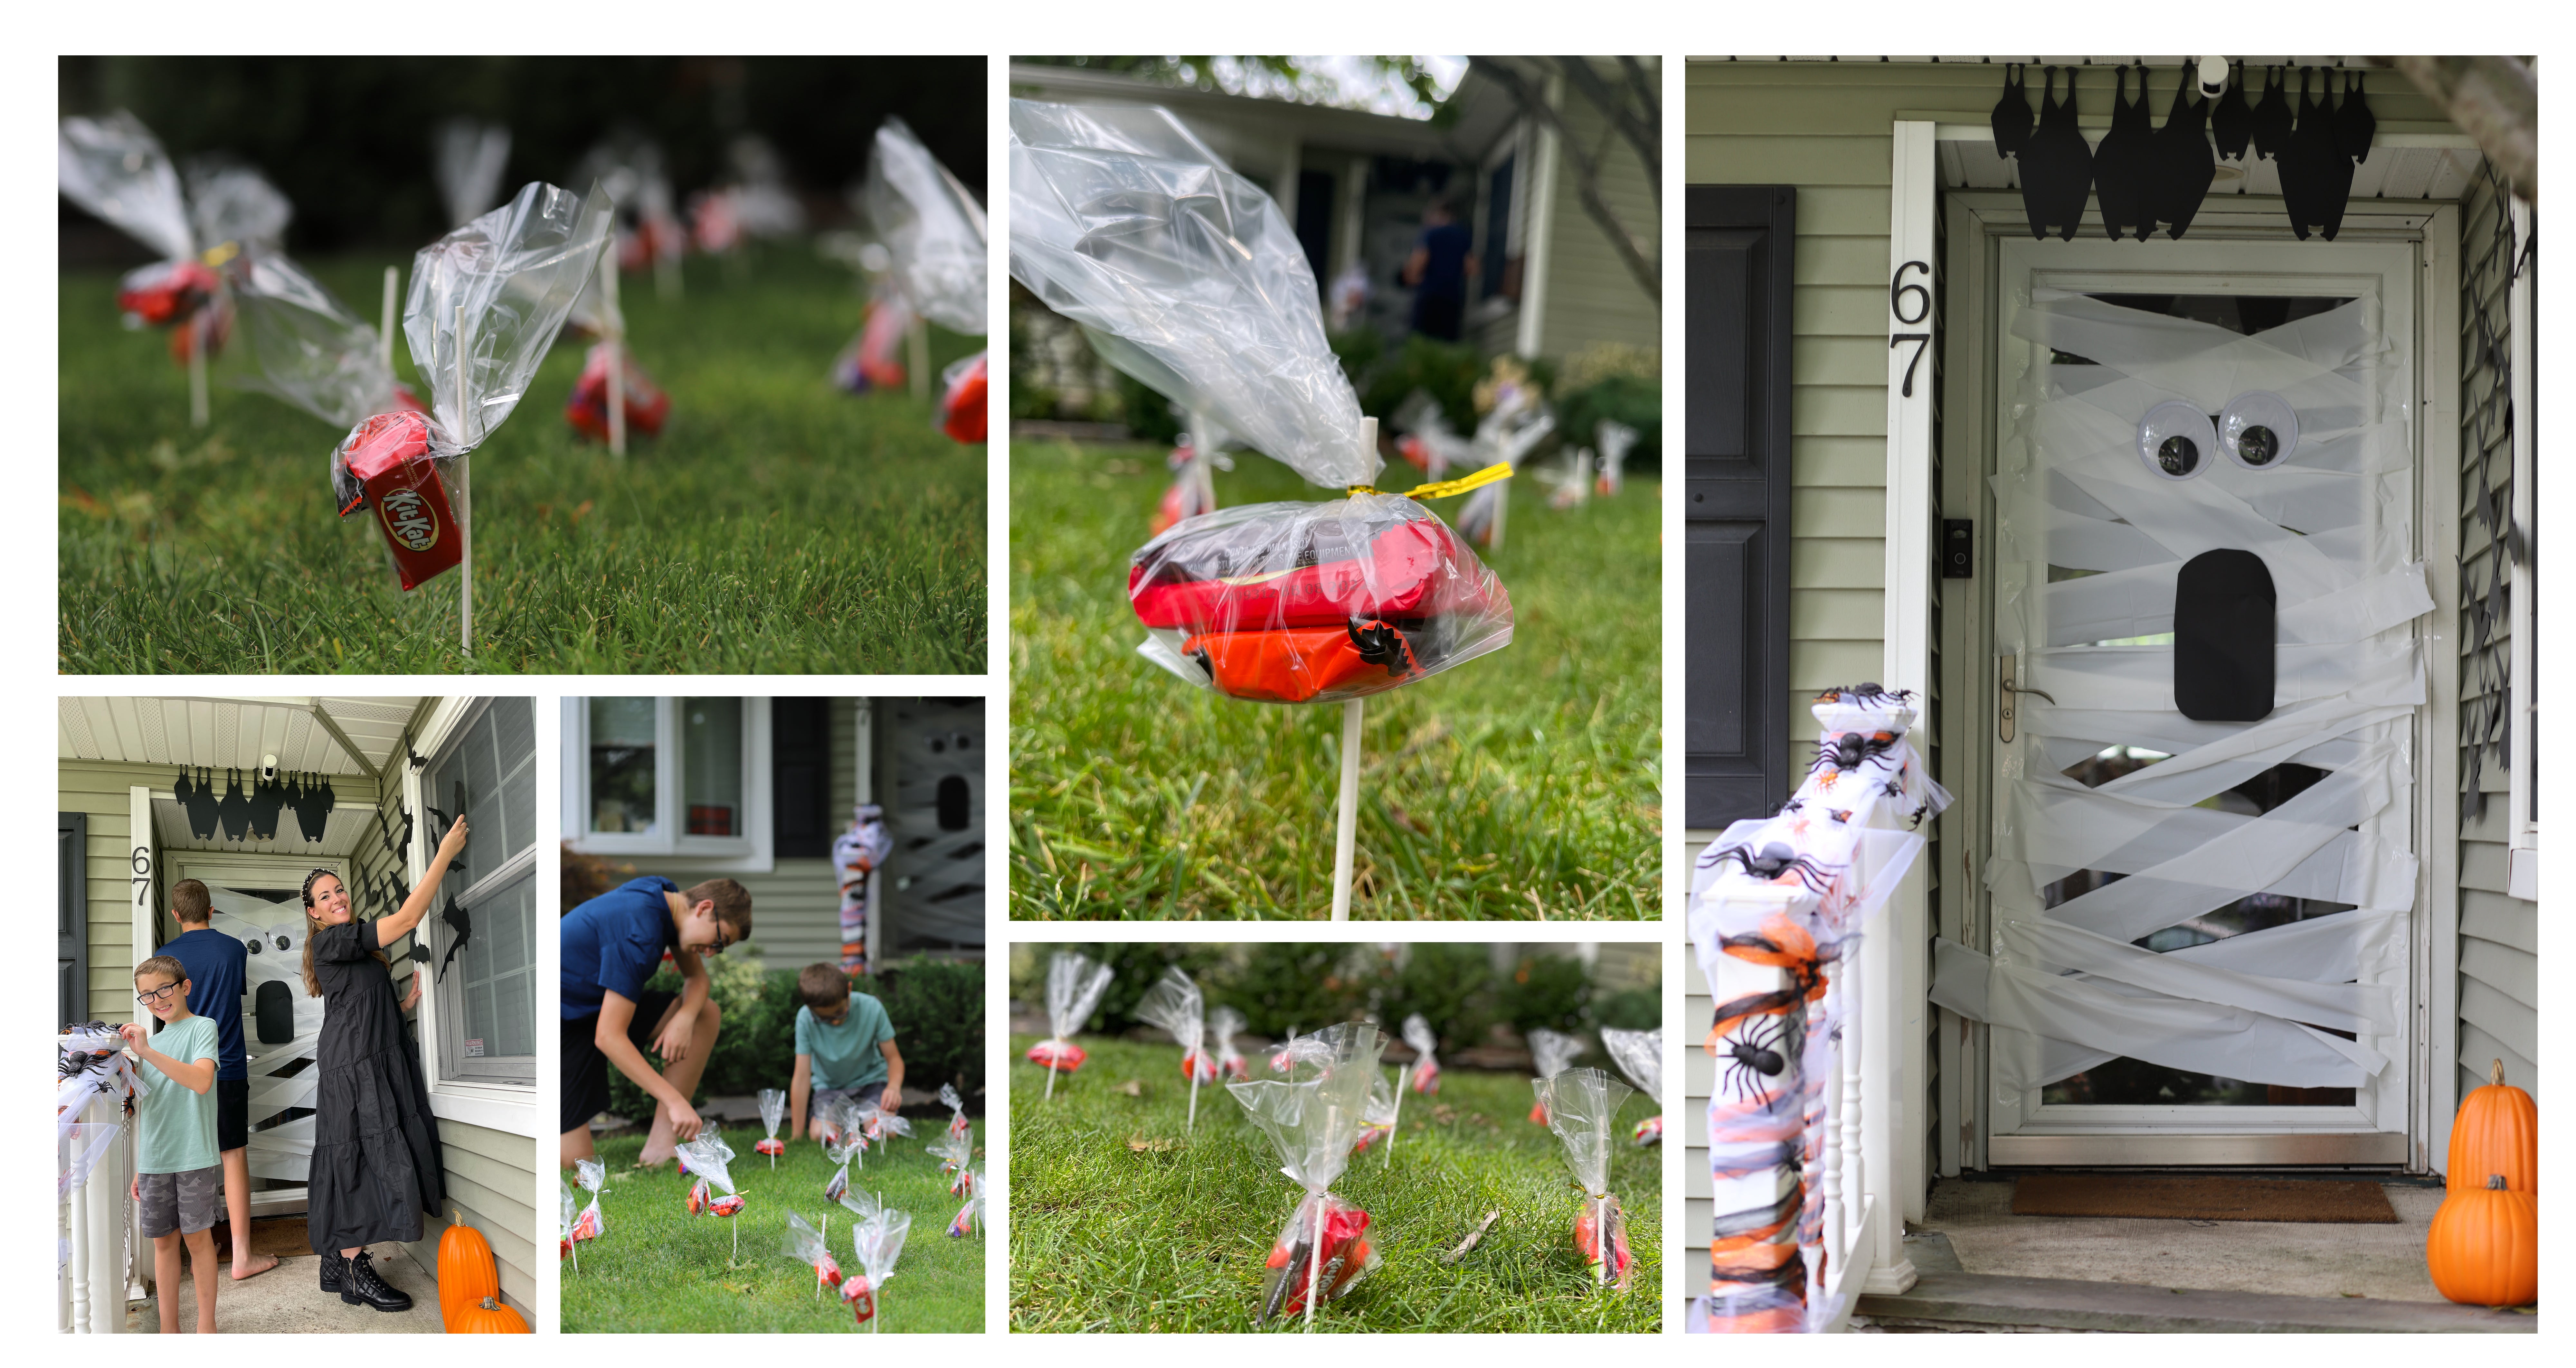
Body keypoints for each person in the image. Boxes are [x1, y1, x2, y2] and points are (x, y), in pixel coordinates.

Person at [300, 814, 467, 1313]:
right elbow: (407, 921)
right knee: (353, 1163)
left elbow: (352, 1006)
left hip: (364, 1059)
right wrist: (445, 855)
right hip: (352, 1070)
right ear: (314, 913)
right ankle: (355, 1270)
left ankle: (337, 1257)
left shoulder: (349, 942)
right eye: (326, 897)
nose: (338, 898)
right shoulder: (332, 940)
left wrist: (400, 1007)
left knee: (362, 1159)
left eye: (339, 890)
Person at [558, 875, 753, 1169]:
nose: (712, 952)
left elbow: (698, 980)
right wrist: (676, 1101)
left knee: (705, 1013)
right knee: (576, 1162)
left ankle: (662, 1149)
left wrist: (684, 1020)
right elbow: (609, 1037)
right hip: (562, 1018)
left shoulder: (666, 898)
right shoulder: (640, 931)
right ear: (704, 909)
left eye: (720, 949)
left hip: (599, 1006)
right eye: (719, 940)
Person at [158, 877, 280, 1282]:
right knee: (233, 1156)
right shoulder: (233, 949)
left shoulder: (164, 957)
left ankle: (204, 1244)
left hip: (184, 1069)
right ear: (212, 911)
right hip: (227, 1065)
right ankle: (242, 1255)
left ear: (176, 915)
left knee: (192, 1158)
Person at [124, 954, 223, 1333]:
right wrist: (140, 1164)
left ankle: (206, 1326)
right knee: (163, 1244)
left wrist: (147, 1052)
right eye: (146, 995)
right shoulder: (151, 1045)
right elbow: (152, 1111)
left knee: (199, 1241)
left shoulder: (203, 1028)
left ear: (185, 987)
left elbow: (201, 1081)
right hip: (155, 1159)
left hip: (194, 1154)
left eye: (164, 988)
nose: (157, 999)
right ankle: (169, 1330)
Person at [787, 963, 903, 1144]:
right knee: (820, 1134)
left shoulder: (872, 1008)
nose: (835, 1022)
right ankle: (850, 1132)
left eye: (840, 1013)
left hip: (870, 1085)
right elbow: (802, 1077)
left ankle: (863, 1125)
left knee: (885, 1131)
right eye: (825, 1019)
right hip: (830, 1090)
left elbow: (894, 1059)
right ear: (810, 1008)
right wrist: (796, 1135)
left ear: (849, 989)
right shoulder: (805, 1018)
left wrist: (894, 1087)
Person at [1401, 197, 1478, 342]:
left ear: (1437, 214)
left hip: (1430, 296)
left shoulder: (1431, 235)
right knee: (1447, 343)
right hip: (1452, 298)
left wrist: (1411, 277)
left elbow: (1417, 266)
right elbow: (1472, 268)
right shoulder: (1463, 236)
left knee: (1421, 341)